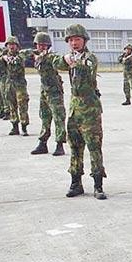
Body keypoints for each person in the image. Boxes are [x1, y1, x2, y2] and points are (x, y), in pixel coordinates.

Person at [52, 24, 107, 200]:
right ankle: (76, 183)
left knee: (94, 147)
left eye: (77, 39)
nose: (74, 43)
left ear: (84, 40)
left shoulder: (90, 57)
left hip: (90, 110)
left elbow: (88, 67)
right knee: (75, 147)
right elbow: (56, 64)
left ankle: (98, 185)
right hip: (74, 110)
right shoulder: (69, 57)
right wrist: (67, 59)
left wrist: (74, 61)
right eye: (71, 40)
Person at [29, 32, 67, 157]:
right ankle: (43, 143)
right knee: (44, 117)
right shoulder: (37, 56)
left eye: (44, 45)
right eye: (39, 45)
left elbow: (58, 60)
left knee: (58, 117)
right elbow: (23, 54)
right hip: (44, 91)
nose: (42, 47)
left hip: (54, 91)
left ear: (48, 46)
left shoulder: (50, 56)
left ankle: (60, 144)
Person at [0, 36, 31, 136]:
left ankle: (24, 126)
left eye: (13, 44)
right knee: (11, 105)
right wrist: (2, 58)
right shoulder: (4, 57)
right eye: (9, 45)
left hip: (20, 84)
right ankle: (14, 126)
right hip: (9, 83)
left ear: (17, 46)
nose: (11, 47)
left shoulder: (21, 55)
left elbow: (25, 55)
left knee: (22, 105)